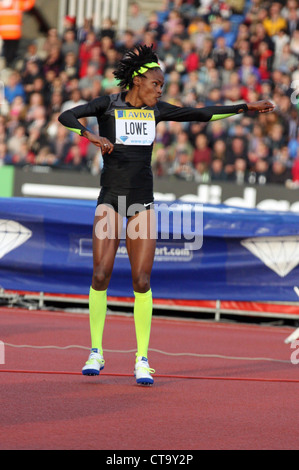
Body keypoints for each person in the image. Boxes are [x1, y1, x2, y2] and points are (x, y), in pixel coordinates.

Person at [58, 44, 274, 386]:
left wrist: (244, 107)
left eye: (162, 86)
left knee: (141, 281)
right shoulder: (107, 105)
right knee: (100, 273)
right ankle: (95, 351)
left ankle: (142, 358)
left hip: (142, 203)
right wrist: (91, 136)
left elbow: (200, 114)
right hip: (110, 201)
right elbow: (66, 116)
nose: (160, 91)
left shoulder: (156, 111)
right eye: (156, 84)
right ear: (139, 80)